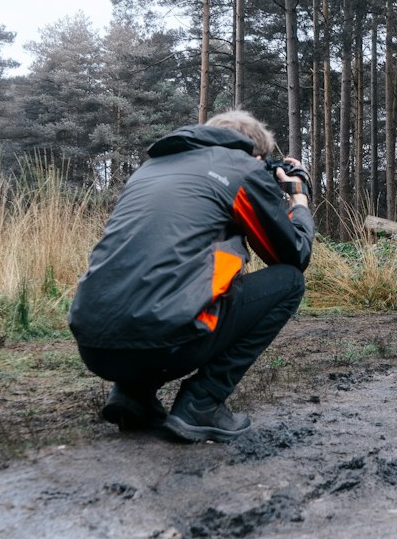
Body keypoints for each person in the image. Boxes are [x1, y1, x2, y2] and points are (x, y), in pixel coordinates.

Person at [69, 109, 314, 443]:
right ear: (254, 153)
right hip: (166, 343)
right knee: (289, 282)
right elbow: (293, 255)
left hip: (95, 347)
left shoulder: (149, 170)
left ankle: (132, 394)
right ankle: (202, 403)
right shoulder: (242, 168)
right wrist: (298, 198)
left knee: (159, 283)